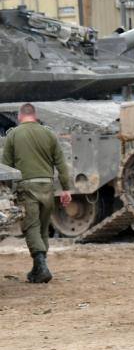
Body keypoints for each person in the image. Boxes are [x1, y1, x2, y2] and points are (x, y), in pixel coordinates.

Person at [1, 103, 71, 283]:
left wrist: (5, 193)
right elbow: (61, 164)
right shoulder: (49, 134)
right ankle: (38, 267)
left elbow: (6, 166)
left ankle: (41, 267)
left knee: (31, 227)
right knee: (42, 228)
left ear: (19, 116)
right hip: (47, 187)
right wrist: (66, 189)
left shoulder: (13, 135)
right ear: (35, 115)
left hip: (27, 187)